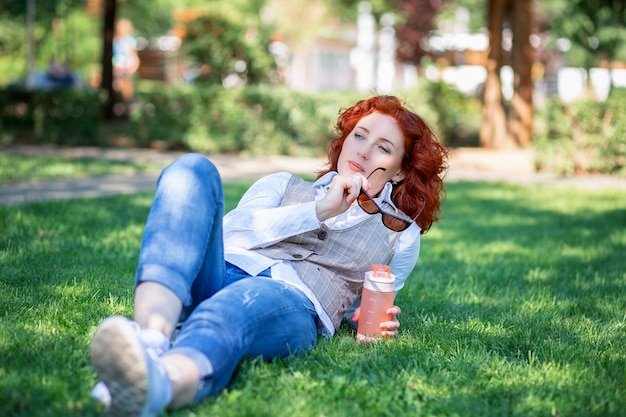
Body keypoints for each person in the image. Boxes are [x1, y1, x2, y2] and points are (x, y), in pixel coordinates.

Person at [89, 95, 448, 416]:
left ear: (401, 170)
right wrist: (320, 209)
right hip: (219, 271)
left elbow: (370, 302)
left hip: (293, 300)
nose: (364, 151)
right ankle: (151, 340)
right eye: (359, 135)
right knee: (191, 169)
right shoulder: (281, 183)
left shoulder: (400, 235)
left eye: (383, 147)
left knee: (233, 307)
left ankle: (162, 384)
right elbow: (232, 234)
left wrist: (372, 321)